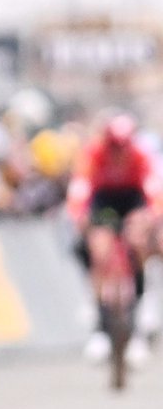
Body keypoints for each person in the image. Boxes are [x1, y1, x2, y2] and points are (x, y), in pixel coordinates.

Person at [67, 113, 161, 362]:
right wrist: (79, 215)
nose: (118, 153)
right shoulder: (93, 154)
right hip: (104, 202)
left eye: (123, 147)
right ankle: (100, 325)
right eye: (114, 147)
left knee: (139, 241)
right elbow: (80, 187)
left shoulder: (140, 155)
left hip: (132, 200)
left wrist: (151, 217)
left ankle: (140, 316)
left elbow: (154, 190)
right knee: (99, 248)